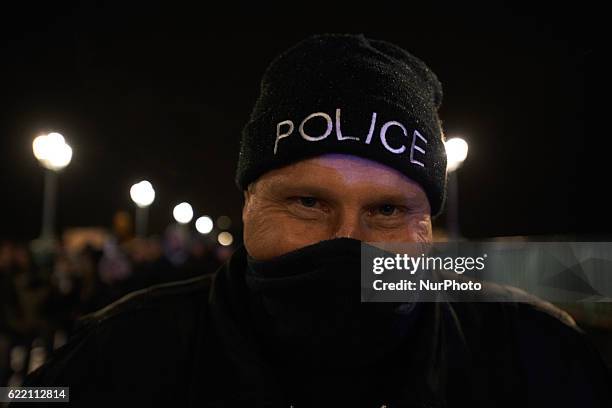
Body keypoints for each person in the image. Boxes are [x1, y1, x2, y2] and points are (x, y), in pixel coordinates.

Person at [17, 34, 610, 407]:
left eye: (387, 210)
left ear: (428, 225)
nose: (347, 242)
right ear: (248, 204)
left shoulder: (536, 355)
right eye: (307, 202)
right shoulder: (121, 352)